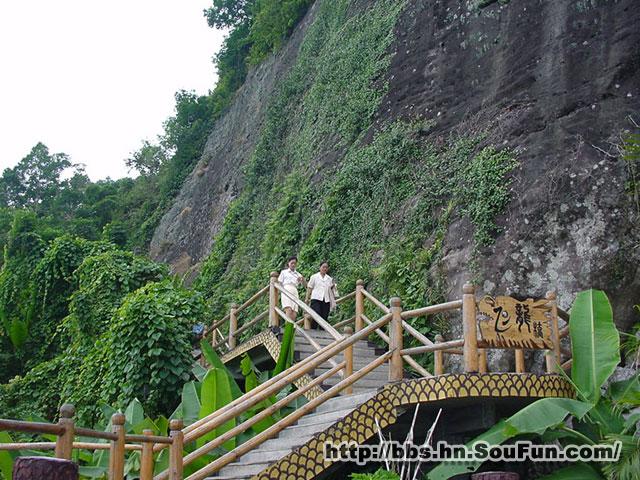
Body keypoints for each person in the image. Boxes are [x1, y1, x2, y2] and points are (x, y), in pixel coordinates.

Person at [306, 261, 338, 328]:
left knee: (324, 317)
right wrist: (307, 298)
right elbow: (309, 288)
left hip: (326, 300)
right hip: (316, 299)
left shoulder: (329, 279)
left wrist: (333, 286)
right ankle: (313, 329)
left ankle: (322, 332)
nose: (325, 269)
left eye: (326, 267)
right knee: (316, 313)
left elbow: (332, 290)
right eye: (323, 267)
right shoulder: (314, 277)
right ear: (320, 267)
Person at [278, 256, 306, 321]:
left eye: (295, 263)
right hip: (286, 290)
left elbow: (305, 285)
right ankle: (288, 331)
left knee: (294, 314)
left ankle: (291, 330)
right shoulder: (284, 272)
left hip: (294, 291)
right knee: (289, 310)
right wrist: (282, 291)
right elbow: (279, 283)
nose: (293, 264)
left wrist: (303, 280)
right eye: (292, 263)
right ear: (288, 263)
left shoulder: (298, 274)